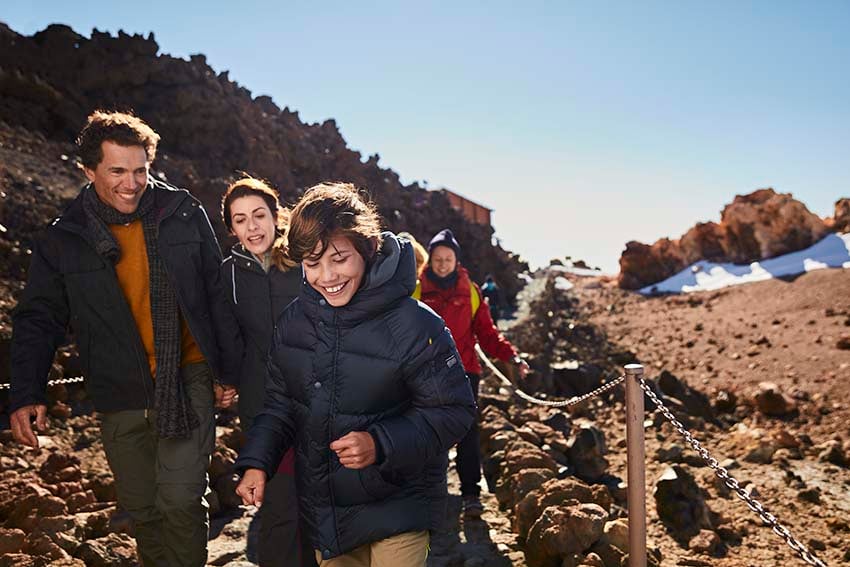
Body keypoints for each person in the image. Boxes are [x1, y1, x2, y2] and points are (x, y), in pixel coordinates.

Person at [9, 110, 242, 567]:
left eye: (141, 170)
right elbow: (39, 318)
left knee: (179, 501)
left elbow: (218, 295)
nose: (131, 183)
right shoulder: (64, 239)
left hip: (187, 377)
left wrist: (227, 371)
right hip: (118, 390)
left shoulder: (183, 213)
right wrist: (26, 390)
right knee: (145, 511)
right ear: (89, 169)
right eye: (117, 170)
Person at [234, 182, 476, 567]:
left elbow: (453, 411)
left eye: (339, 259)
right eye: (313, 264)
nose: (327, 276)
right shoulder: (295, 323)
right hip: (329, 512)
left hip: (402, 506)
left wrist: (380, 442)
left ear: (366, 248)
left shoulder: (416, 325)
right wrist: (257, 461)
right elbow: (281, 404)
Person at [220, 176, 316, 567]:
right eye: (240, 219)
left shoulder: (306, 262)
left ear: (277, 217)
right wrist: (224, 379)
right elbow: (227, 337)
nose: (252, 226)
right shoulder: (226, 274)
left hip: (318, 402)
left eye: (259, 215)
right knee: (279, 508)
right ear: (231, 227)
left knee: (318, 506)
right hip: (264, 408)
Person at [415, 228, 529, 519]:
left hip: (465, 371)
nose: (442, 264)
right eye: (437, 258)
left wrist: (511, 357)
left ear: (456, 261)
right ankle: (429, 495)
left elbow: (487, 333)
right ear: (430, 259)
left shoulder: (472, 291)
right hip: (424, 373)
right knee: (428, 432)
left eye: (448, 258)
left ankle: (471, 496)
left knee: (466, 433)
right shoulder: (415, 288)